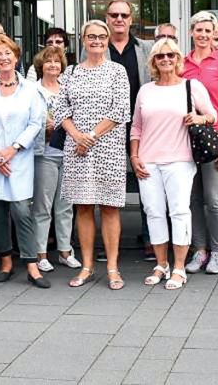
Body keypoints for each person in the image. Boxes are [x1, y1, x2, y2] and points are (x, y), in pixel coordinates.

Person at [132, 38, 215, 290]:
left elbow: (212, 116)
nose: (166, 59)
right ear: (153, 61)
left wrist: (199, 118)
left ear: (178, 59)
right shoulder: (145, 90)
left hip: (180, 159)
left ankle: (179, 266)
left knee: (179, 212)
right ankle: (161, 264)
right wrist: (134, 157)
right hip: (148, 160)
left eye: (170, 55)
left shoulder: (192, 86)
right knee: (154, 212)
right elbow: (136, 127)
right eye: (160, 56)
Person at [55, 20, 131, 290]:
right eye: (91, 37)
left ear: (108, 40)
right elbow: (60, 108)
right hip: (76, 150)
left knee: (110, 208)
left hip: (107, 148)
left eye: (101, 36)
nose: (96, 41)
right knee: (83, 207)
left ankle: (112, 267)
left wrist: (91, 137)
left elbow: (121, 110)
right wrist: (77, 136)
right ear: (83, 40)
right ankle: (87, 266)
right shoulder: (71, 72)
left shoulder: (117, 71)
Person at [0, 35, 49, 288]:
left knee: (21, 211)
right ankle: (5, 261)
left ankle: (31, 264)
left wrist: (13, 149)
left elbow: (36, 123)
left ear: (16, 57)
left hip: (19, 159)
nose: (4, 58)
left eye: (8, 53)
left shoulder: (31, 89)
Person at [182, 11, 218, 275]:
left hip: (215, 139)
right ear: (192, 32)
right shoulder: (182, 63)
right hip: (186, 140)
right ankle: (199, 250)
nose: (203, 35)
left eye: (208, 31)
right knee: (193, 199)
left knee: (215, 199)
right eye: (199, 30)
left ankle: (216, 251)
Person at [104, 0, 154, 261]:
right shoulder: (97, 48)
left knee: (145, 180)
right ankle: (110, 244)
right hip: (106, 127)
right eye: (114, 15)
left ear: (131, 19)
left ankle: (149, 238)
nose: (119, 19)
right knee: (108, 185)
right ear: (107, 18)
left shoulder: (145, 48)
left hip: (141, 126)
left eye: (124, 15)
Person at [31, 46, 80, 271]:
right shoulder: (32, 90)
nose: (53, 65)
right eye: (48, 61)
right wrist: (44, 126)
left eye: (57, 62)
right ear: (41, 66)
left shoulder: (68, 89)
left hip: (68, 153)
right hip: (45, 154)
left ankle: (65, 251)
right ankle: (40, 253)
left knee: (65, 206)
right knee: (43, 206)